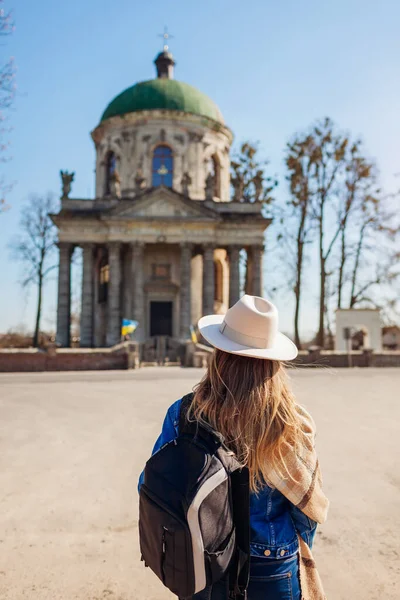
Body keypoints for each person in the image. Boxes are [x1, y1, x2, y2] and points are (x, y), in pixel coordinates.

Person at [139, 295, 329, 600]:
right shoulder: (292, 420)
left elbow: (150, 485)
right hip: (274, 560)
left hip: (203, 560)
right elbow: (306, 511)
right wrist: (285, 548)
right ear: (273, 362)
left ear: (219, 353)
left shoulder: (185, 413)